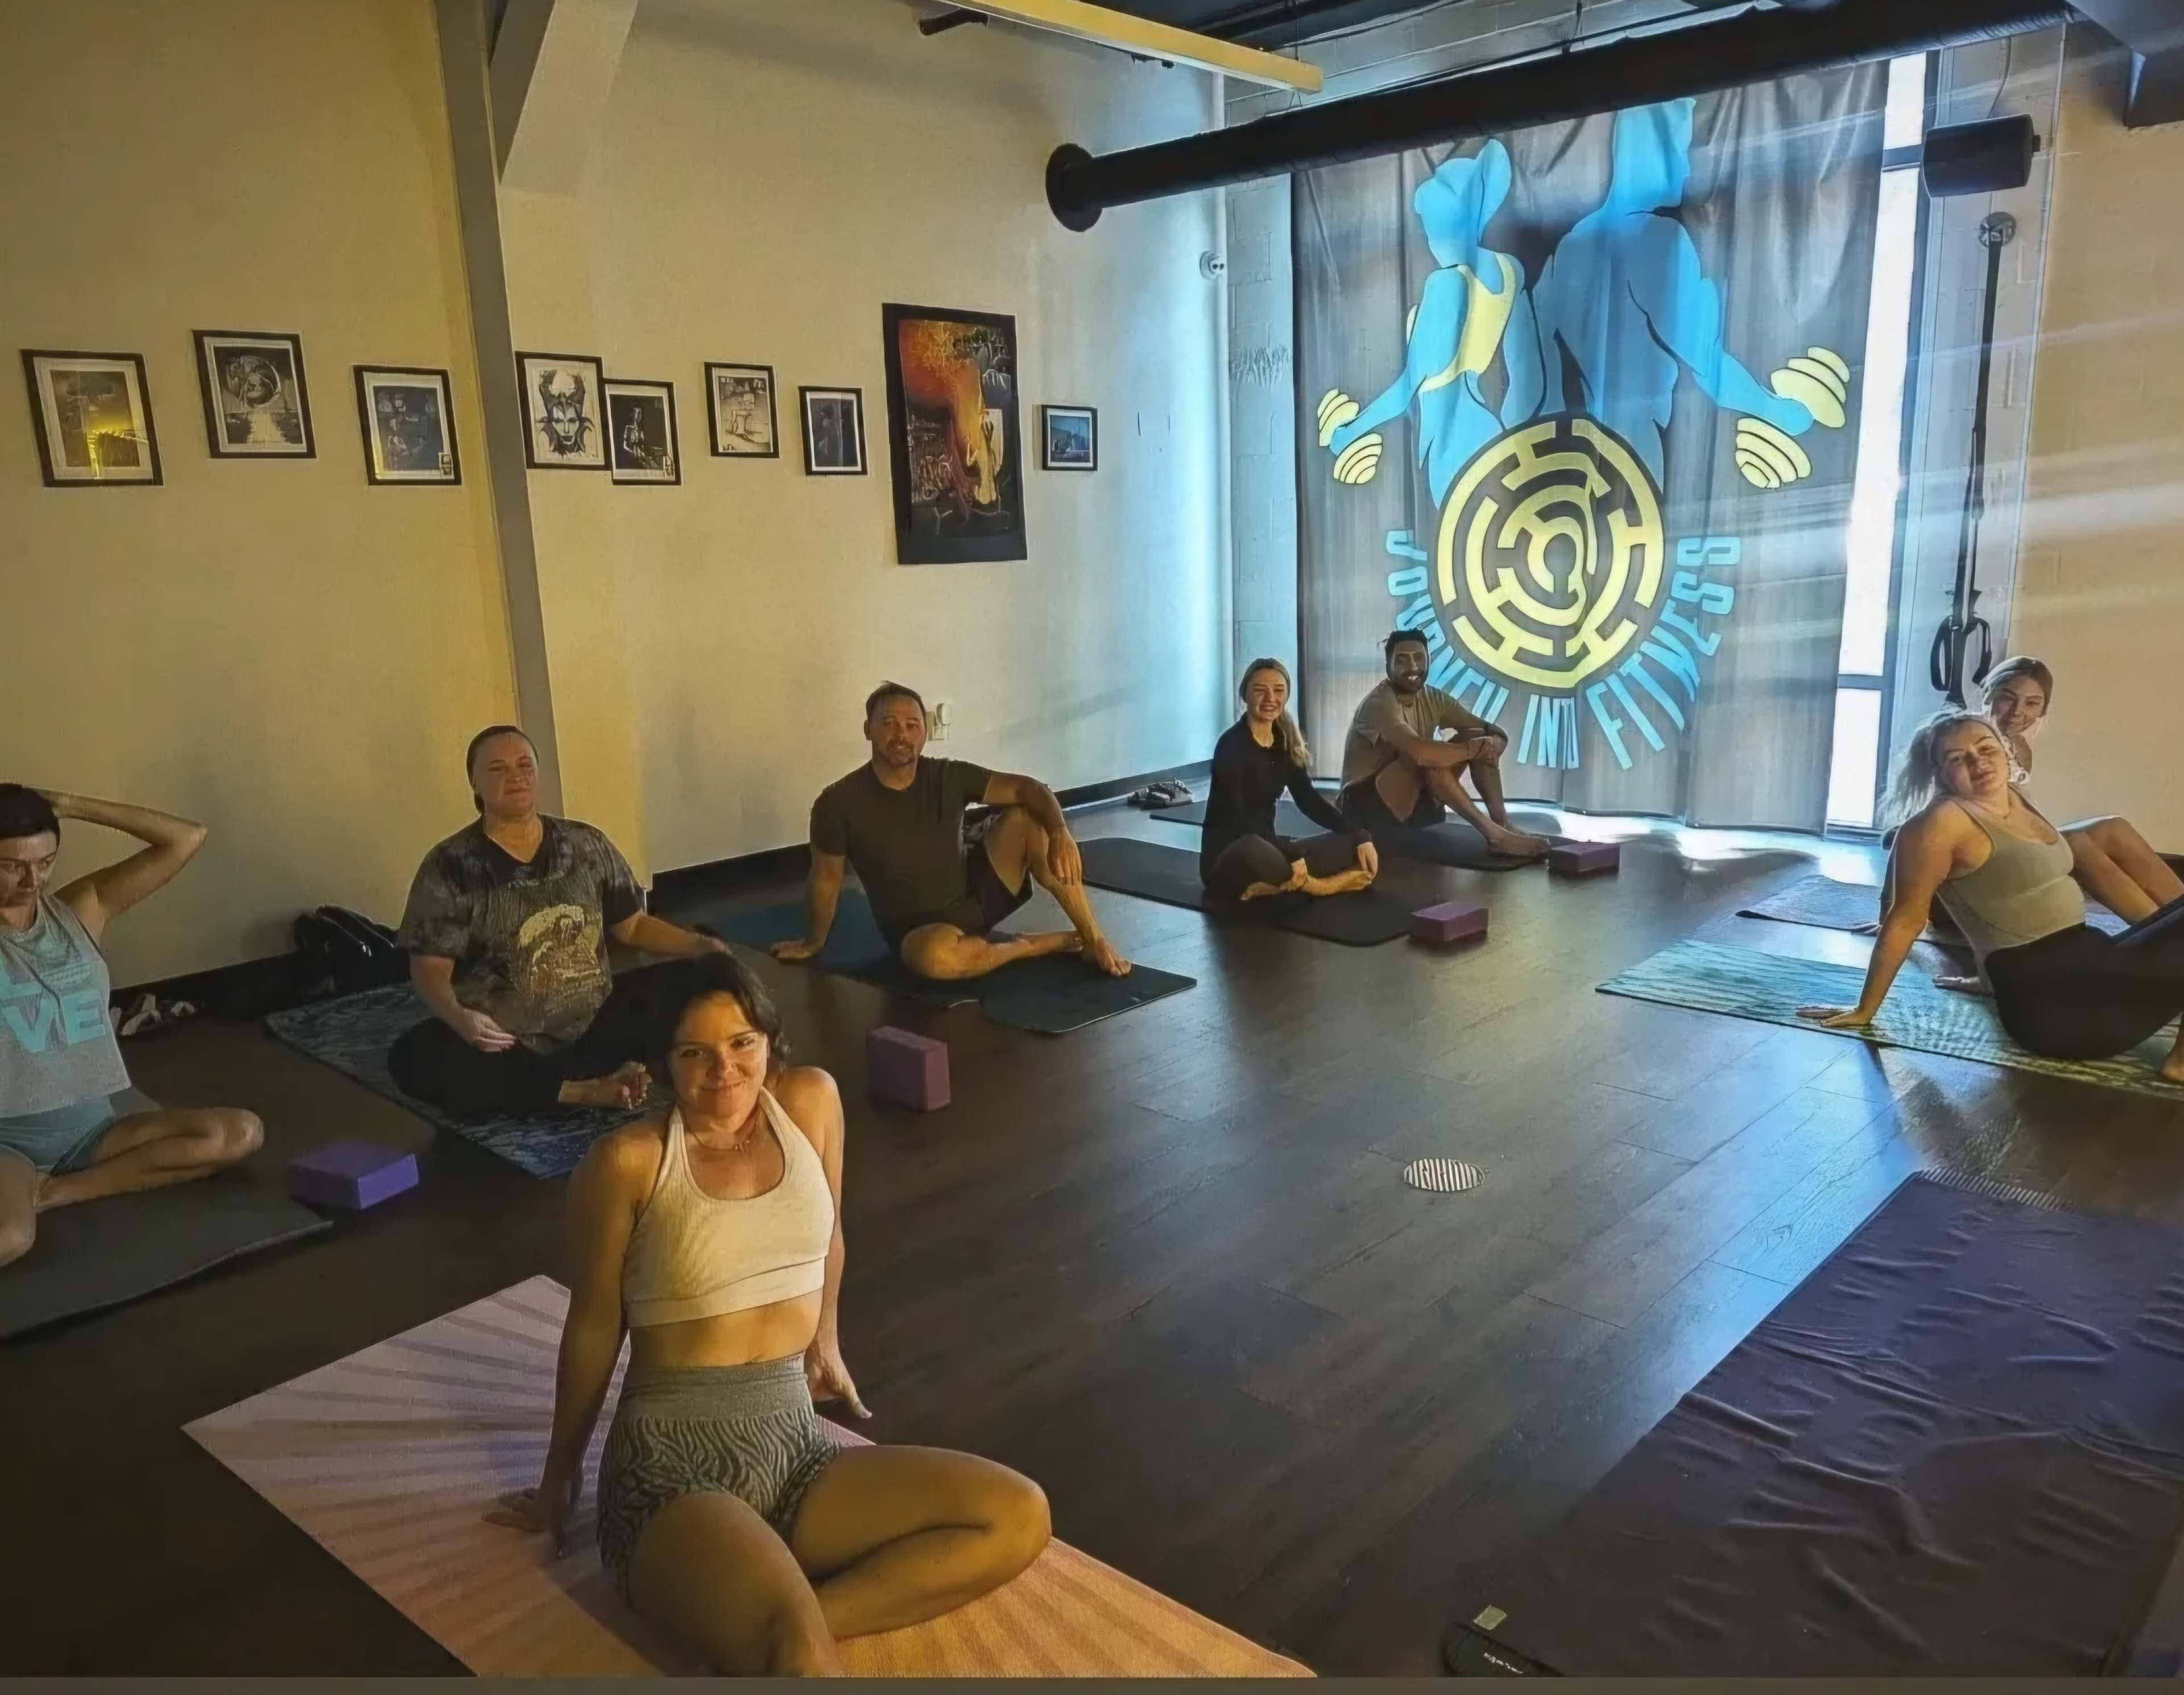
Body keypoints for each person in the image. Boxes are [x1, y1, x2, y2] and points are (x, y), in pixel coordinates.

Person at [491, 953, 1050, 1674]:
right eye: (695, 1053)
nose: (723, 1070)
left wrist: (825, 1343)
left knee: (1017, 1513)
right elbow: (595, 1326)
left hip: (796, 1450)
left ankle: (786, 1624)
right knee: (800, 1654)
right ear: (663, 1063)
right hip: (671, 1472)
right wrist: (557, 1481)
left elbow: (829, 1236)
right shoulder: (628, 1160)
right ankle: (781, 1629)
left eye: (741, 1043)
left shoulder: (811, 1101)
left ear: (770, 1040)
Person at [1801, 712, 2184, 1085]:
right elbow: (1905, 921)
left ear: (2004, 750)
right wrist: (1864, 1010)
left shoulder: (2013, 797)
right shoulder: (1939, 825)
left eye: (1986, 749)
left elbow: (1992, 910)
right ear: (1938, 773)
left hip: (2096, 970)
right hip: (2065, 1012)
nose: (1979, 763)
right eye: (1957, 759)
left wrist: (1986, 978)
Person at [388, 727, 726, 1122]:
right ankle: (579, 1091)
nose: (516, 777)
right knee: (416, 1057)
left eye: (524, 766)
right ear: (475, 784)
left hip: (598, 1028)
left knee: (697, 976)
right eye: (498, 769)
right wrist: (460, 1017)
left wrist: (700, 947)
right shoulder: (450, 866)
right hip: (508, 1047)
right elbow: (429, 968)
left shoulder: (586, 844)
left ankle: (617, 1071)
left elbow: (633, 927)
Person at [0, 784, 262, 1270]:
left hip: (95, 1131)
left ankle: (56, 1192)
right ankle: (29, 1191)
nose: (32, 880)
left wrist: (70, 805)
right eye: (12, 866)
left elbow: (186, 838)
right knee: (11, 1237)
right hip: (8, 1143)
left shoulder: (79, 909)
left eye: (45, 862)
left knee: (239, 1133)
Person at [773, 683, 1130, 982]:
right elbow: (826, 879)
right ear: (868, 729)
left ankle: (1093, 939)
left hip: (978, 896)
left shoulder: (948, 775)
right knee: (934, 960)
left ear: (925, 734)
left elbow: (1028, 788)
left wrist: (1061, 831)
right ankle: (1028, 947)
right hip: (919, 933)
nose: (901, 735)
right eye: (889, 724)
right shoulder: (837, 803)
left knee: (1029, 820)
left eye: (912, 725)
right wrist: (812, 943)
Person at [1980, 655, 2183, 921]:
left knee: (2114, 827)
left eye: (2032, 703)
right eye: (2008, 698)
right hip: (1988, 855)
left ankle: (2175, 923)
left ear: (2043, 710)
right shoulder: (1968, 740)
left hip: (2020, 843)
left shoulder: (2019, 746)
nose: (2018, 711)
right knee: (2074, 845)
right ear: (1988, 694)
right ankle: (2160, 936)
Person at [1338, 631, 1551, 859]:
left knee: (1475, 735)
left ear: (1428, 661)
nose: (1412, 667)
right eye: (1402, 660)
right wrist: (1474, 749)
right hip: (1363, 811)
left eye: (1419, 658)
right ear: (1388, 666)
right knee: (1425, 756)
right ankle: (1495, 836)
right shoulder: (1379, 703)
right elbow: (1420, 753)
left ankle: (1502, 824)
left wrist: (1494, 743)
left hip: (1415, 807)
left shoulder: (1434, 698)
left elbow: (1490, 730)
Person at [1203, 659, 1379, 903]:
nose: (1270, 698)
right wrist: (1291, 854)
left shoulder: (1284, 744)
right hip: (1232, 857)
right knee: (1254, 846)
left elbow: (1309, 801)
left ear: (1286, 696)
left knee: (1349, 844)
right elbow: (1239, 821)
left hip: (1270, 849)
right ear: (1245, 695)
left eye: (1278, 690)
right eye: (1260, 690)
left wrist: (1359, 834)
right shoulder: (1230, 746)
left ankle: (1277, 886)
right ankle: (1322, 887)